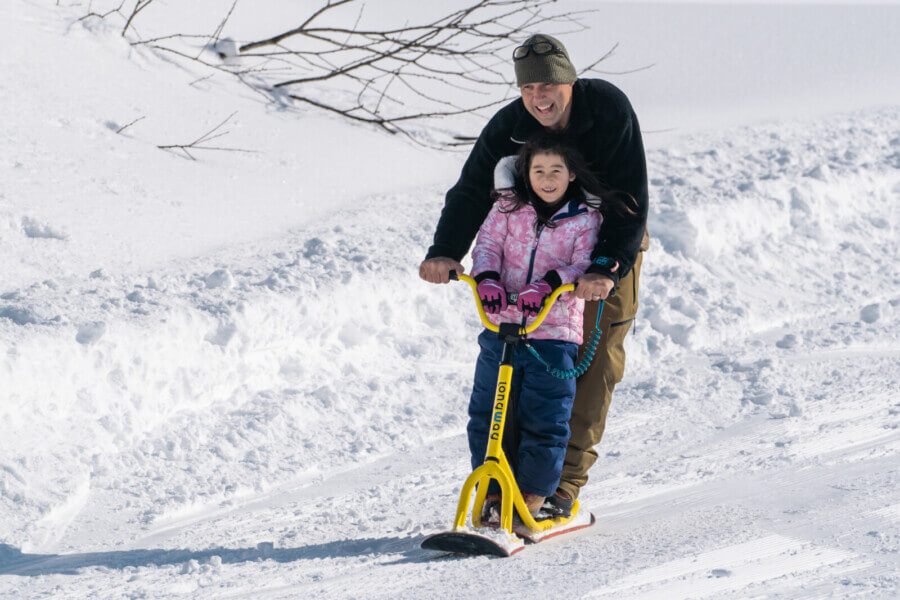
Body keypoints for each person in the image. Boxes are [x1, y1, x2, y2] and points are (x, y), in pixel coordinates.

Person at [420, 33, 649, 516]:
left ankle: (560, 486)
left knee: (590, 361)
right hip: (532, 256)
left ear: (569, 80)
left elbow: (630, 198)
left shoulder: (607, 108)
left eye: (548, 85)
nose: (539, 98)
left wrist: (606, 268)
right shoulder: (509, 125)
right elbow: (469, 193)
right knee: (519, 366)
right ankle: (505, 483)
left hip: (607, 248)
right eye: (528, 89)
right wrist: (445, 251)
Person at [467, 135, 634, 524]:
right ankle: (493, 491)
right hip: (503, 326)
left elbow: (583, 264)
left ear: (571, 174)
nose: (546, 179)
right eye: (538, 170)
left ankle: (531, 498)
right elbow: (487, 245)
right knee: (489, 412)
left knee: (543, 418)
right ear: (526, 173)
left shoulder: (584, 219)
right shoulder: (508, 209)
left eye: (555, 171)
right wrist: (487, 277)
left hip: (553, 333)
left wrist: (548, 287)